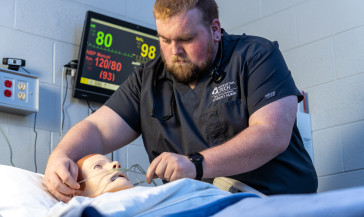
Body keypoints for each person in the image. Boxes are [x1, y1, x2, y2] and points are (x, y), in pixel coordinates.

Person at [44, 0, 317, 202]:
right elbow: (97, 129)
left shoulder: (255, 56)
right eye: (164, 39)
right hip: (204, 205)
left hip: (277, 201)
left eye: (186, 39)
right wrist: (61, 155)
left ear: (215, 30)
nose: (174, 51)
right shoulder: (147, 80)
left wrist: (195, 164)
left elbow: (271, 134)